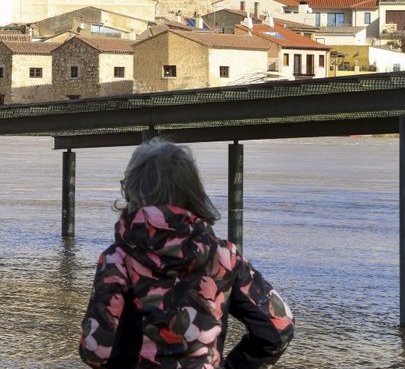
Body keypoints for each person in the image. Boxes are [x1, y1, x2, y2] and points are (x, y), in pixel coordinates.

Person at [79, 139, 294, 368]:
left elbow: (95, 350)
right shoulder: (223, 256)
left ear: (133, 191)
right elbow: (280, 326)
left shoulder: (118, 260)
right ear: (193, 192)